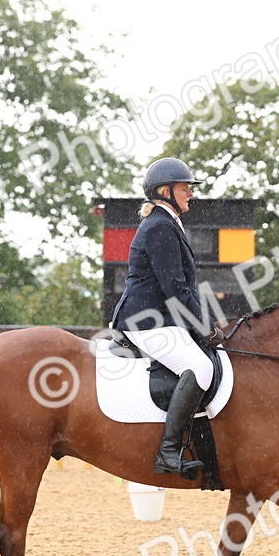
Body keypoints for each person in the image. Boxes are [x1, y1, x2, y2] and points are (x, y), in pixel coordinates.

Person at [110, 157, 215, 479]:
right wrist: (202, 328)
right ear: (165, 191)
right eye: (185, 188)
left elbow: (184, 289)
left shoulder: (167, 223)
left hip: (161, 318)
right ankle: (168, 452)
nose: (190, 194)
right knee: (200, 367)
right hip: (146, 320)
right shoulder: (159, 226)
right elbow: (176, 288)